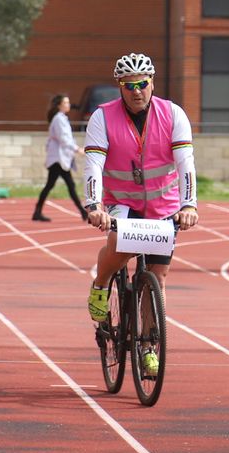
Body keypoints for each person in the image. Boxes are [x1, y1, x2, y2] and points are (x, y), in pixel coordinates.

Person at [82, 54, 199, 378]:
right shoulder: (102, 117)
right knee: (119, 242)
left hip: (164, 204)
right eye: (129, 85)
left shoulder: (173, 114)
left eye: (142, 84)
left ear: (152, 83)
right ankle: (102, 283)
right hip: (122, 202)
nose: (137, 91)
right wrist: (94, 206)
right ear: (120, 87)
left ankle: (148, 346)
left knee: (157, 278)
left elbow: (185, 163)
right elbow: (93, 163)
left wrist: (189, 206)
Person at [33, 93, 83, 222]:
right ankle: (83, 212)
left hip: (60, 158)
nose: (68, 105)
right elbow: (64, 139)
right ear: (59, 105)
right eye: (66, 102)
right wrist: (77, 149)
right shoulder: (59, 119)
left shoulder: (61, 118)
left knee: (53, 185)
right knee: (67, 185)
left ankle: (37, 211)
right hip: (58, 159)